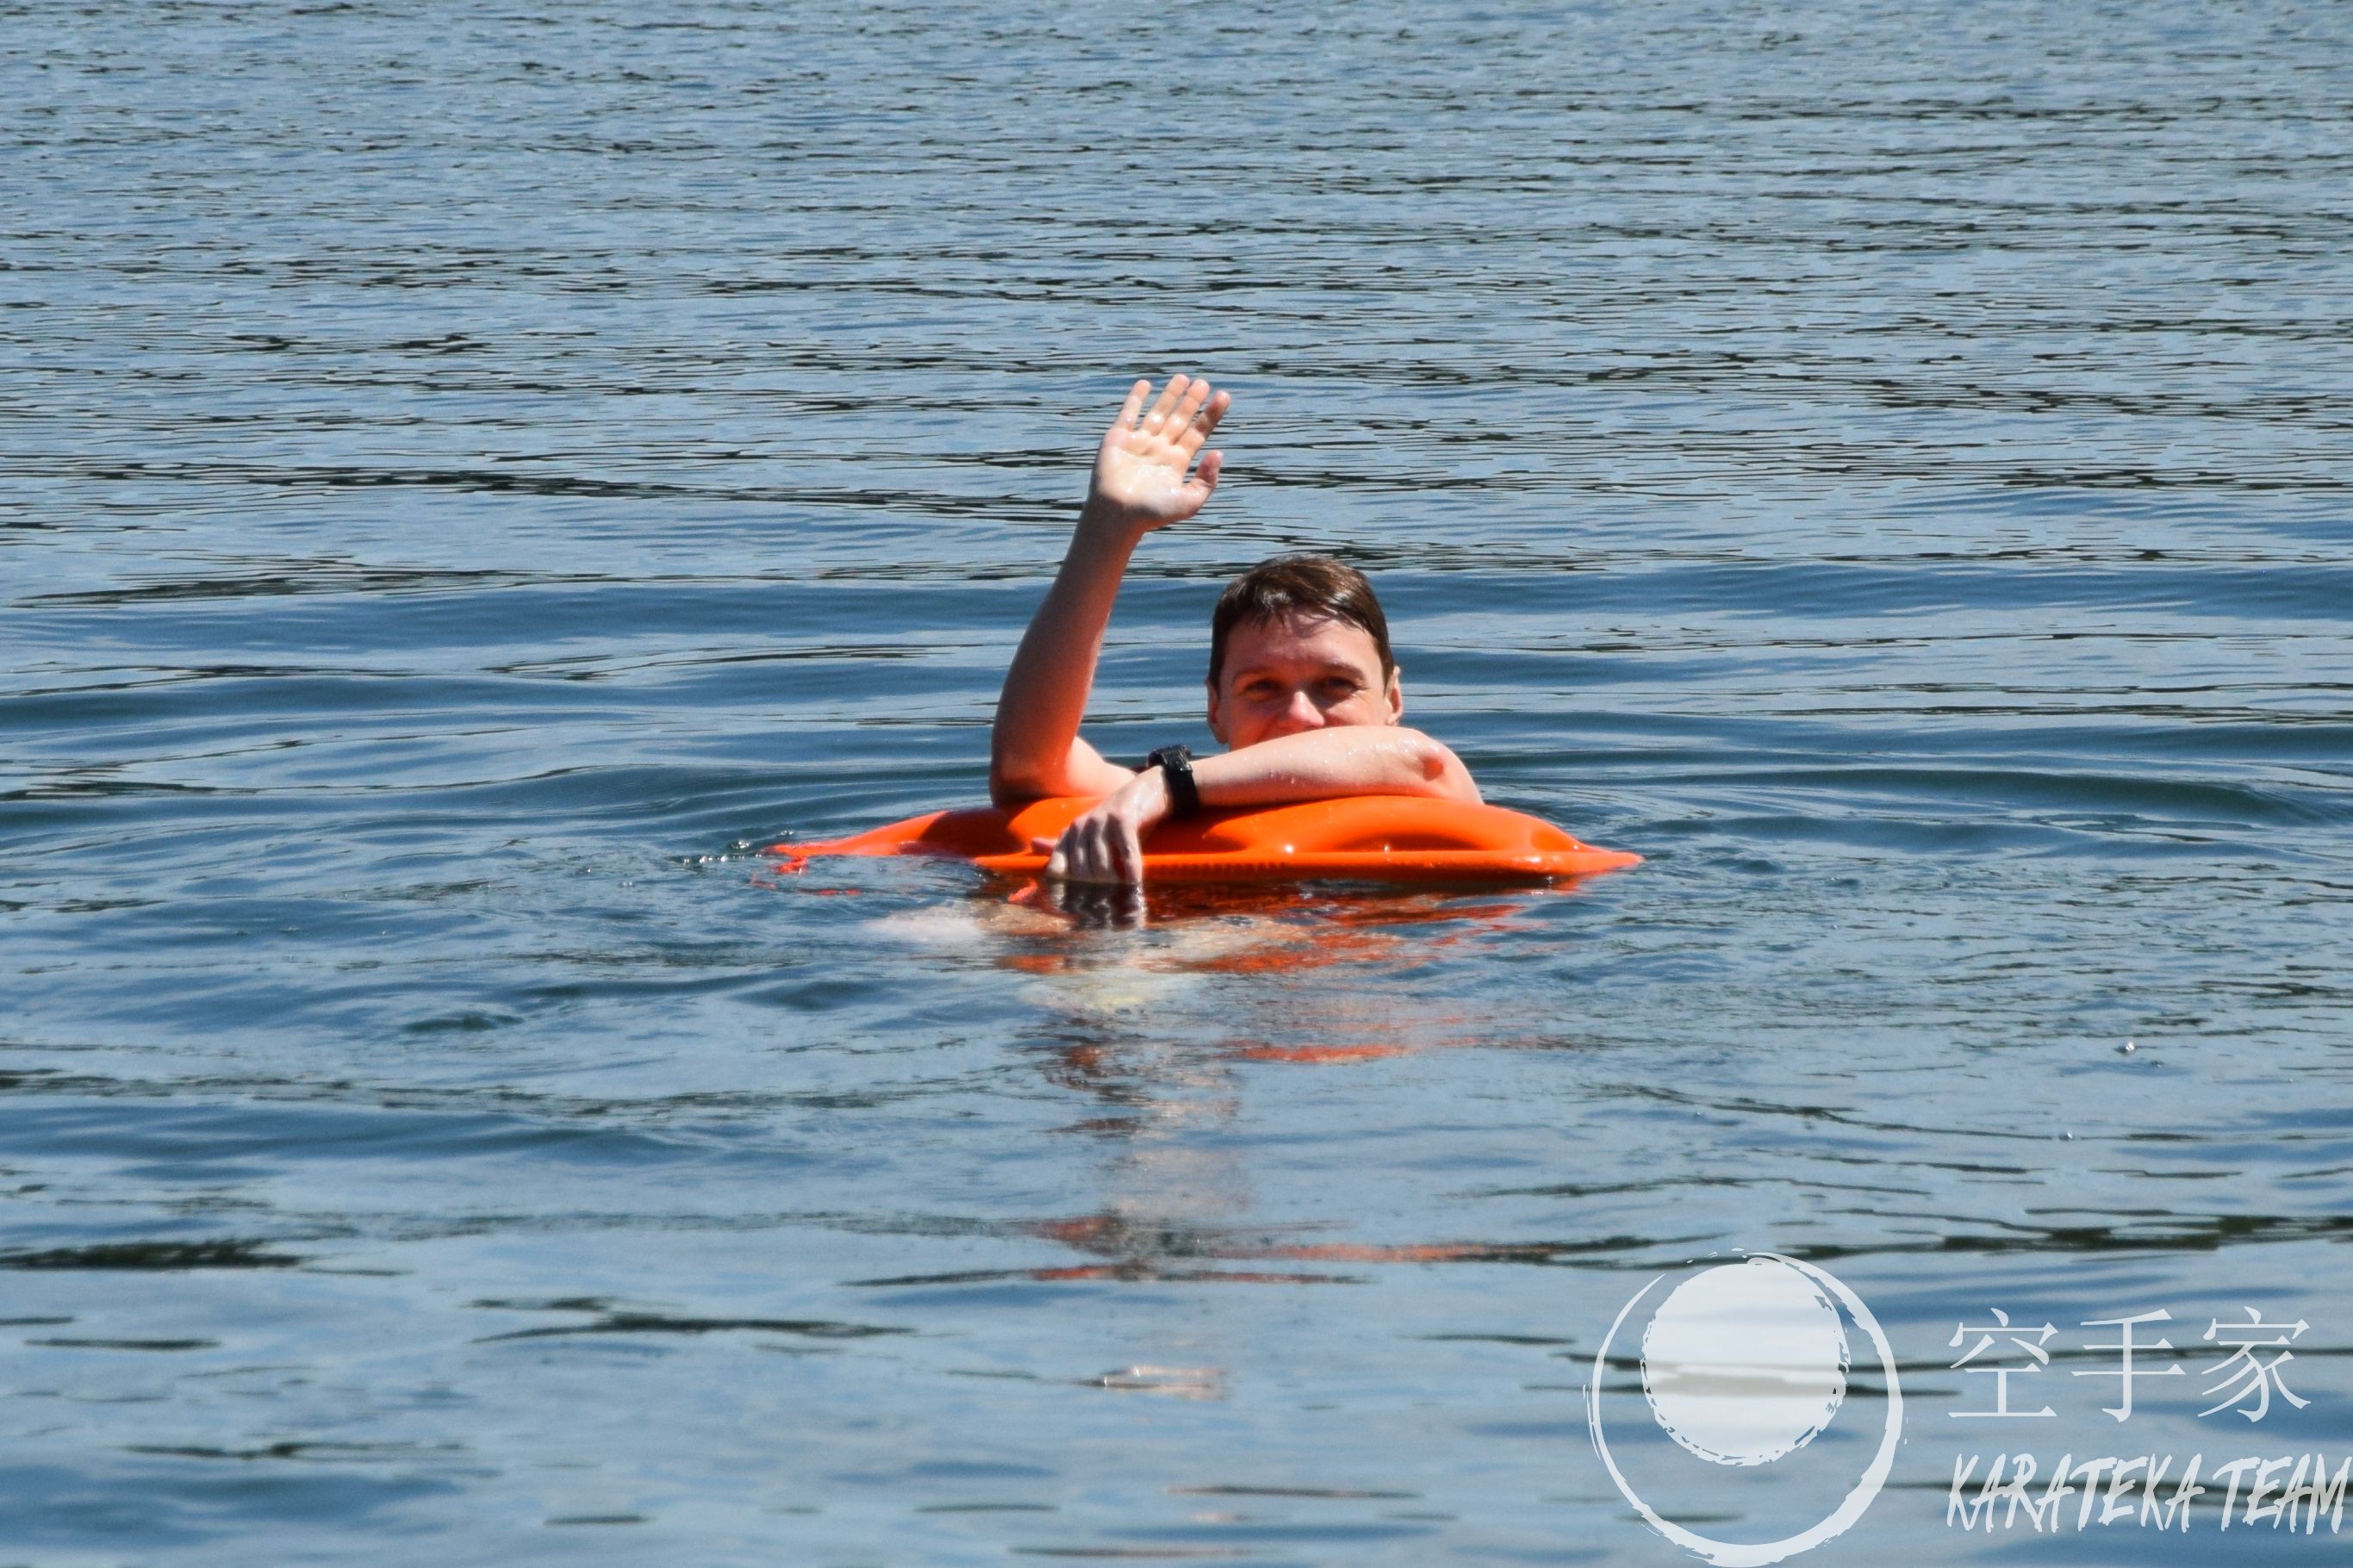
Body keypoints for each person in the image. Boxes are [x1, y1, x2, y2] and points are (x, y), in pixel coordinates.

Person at [989, 374, 1481, 885]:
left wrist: (1168, 786)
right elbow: (1029, 769)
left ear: (1392, 701)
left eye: (1336, 684)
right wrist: (1107, 529)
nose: (1299, 717)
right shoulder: (1151, 803)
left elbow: (1421, 761)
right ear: (1216, 711)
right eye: (1262, 687)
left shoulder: (1435, 790)